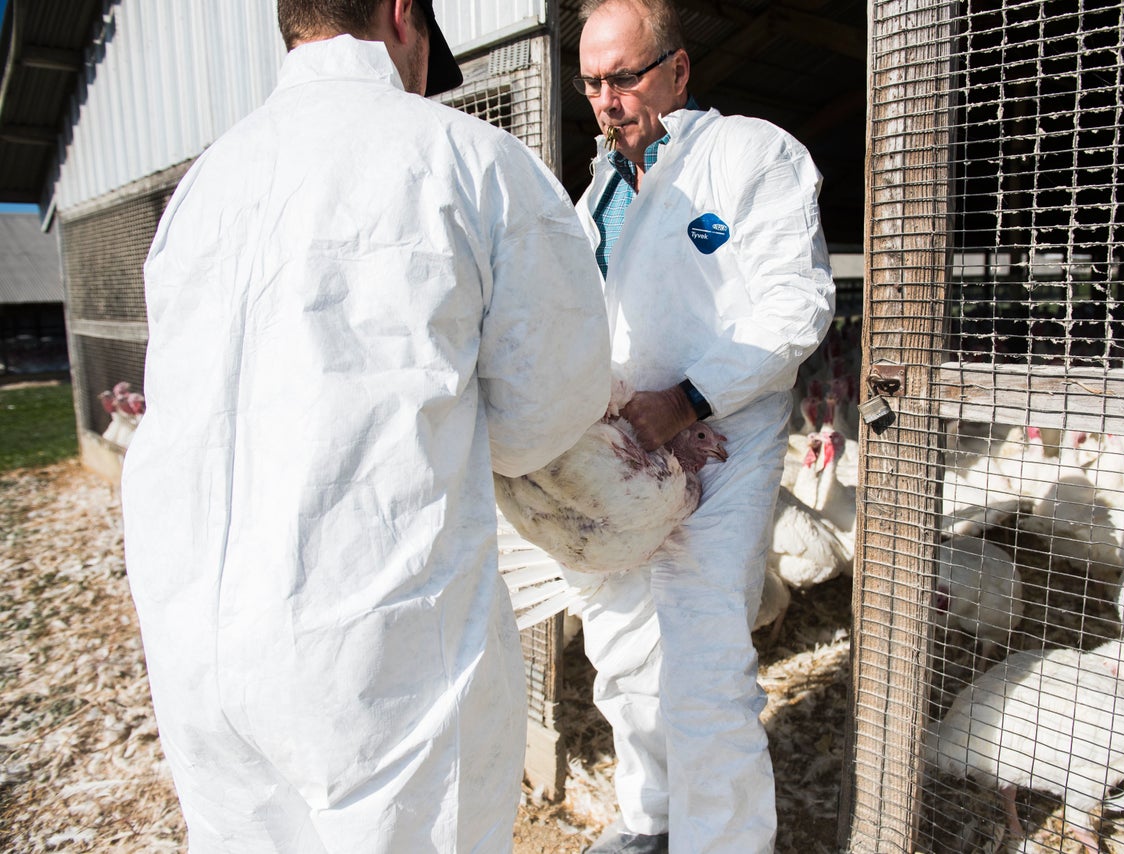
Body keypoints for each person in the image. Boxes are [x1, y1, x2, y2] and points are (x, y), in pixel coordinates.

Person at [120, 1, 612, 851]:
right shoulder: (469, 159)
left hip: (194, 642)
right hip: (373, 655)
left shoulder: (207, 182)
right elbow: (549, 407)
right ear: (399, 14)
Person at [563, 1, 835, 851]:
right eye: (593, 83)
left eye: (625, 77)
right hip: (622, 454)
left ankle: (722, 841)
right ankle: (650, 821)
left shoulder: (751, 156)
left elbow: (798, 306)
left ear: (678, 71)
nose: (608, 99)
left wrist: (685, 399)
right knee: (619, 650)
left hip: (719, 446)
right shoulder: (600, 188)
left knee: (702, 660)